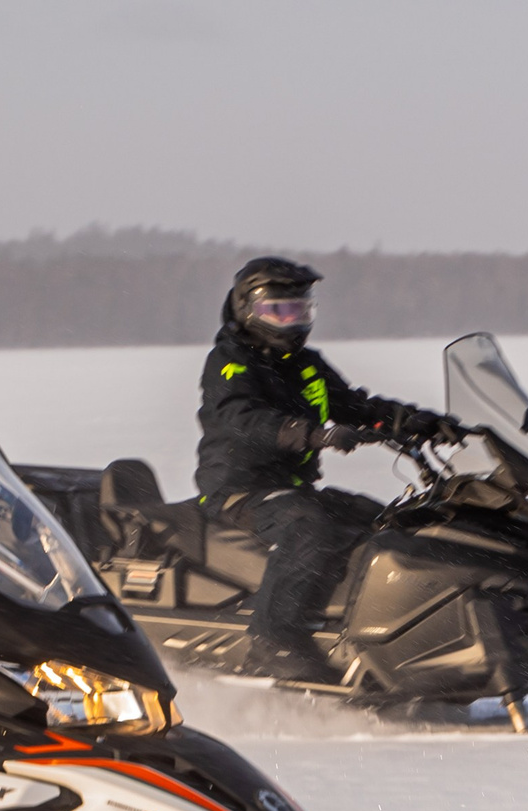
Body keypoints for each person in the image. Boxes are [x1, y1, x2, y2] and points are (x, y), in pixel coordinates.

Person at [194, 257, 464, 682]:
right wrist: (312, 434)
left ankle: (372, 634)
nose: (291, 321)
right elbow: (240, 417)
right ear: (247, 310)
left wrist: (419, 422)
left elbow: (356, 405)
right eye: (278, 311)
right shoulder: (231, 362)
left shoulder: (306, 364)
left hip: (292, 487)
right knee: (308, 528)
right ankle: (273, 640)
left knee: (383, 521)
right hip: (240, 490)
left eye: (299, 310)